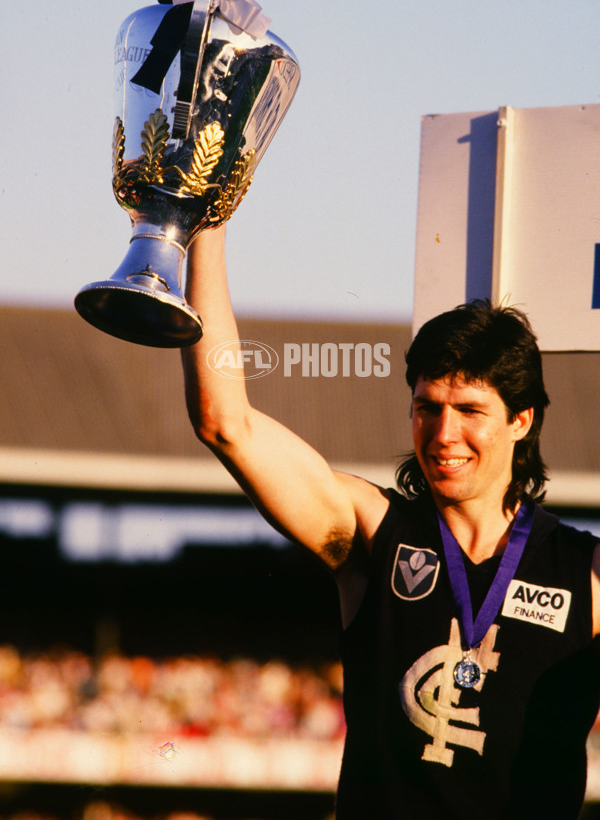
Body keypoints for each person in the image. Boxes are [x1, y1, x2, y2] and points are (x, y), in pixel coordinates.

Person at [180, 225, 600, 820]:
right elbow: (226, 423)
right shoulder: (373, 533)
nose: (444, 434)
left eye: (471, 411)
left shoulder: (586, 573)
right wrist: (205, 227)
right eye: (428, 408)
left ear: (522, 420)